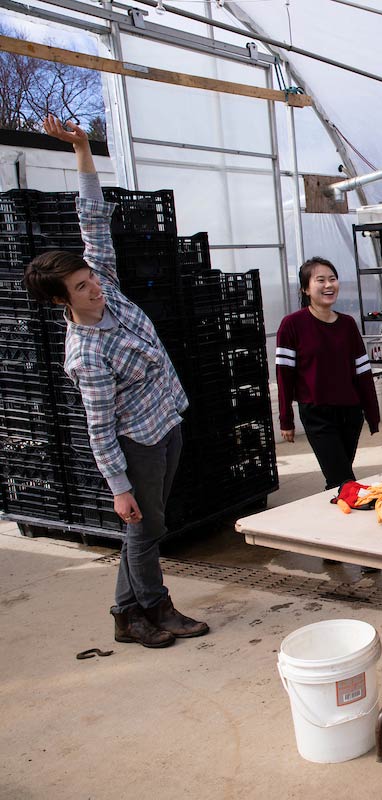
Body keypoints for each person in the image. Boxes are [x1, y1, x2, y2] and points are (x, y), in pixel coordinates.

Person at [24, 116, 208, 648]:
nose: (95, 288)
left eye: (91, 277)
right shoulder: (87, 352)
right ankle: (154, 608)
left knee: (144, 530)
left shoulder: (106, 288)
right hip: (136, 444)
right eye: (82, 287)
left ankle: (126, 618)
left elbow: (93, 218)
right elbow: (98, 427)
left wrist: (83, 147)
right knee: (144, 529)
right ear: (62, 300)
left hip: (166, 421)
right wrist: (119, 487)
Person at [275, 257, 380, 493]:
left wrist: (371, 414)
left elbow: (363, 372)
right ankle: (347, 522)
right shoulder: (292, 325)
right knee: (343, 479)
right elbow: (284, 375)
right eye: (320, 280)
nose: (328, 285)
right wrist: (286, 419)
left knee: (338, 479)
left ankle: (335, 519)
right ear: (305, 288)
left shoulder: (348, 324)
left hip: (350, 415)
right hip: (317, 414)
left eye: (332, 279)